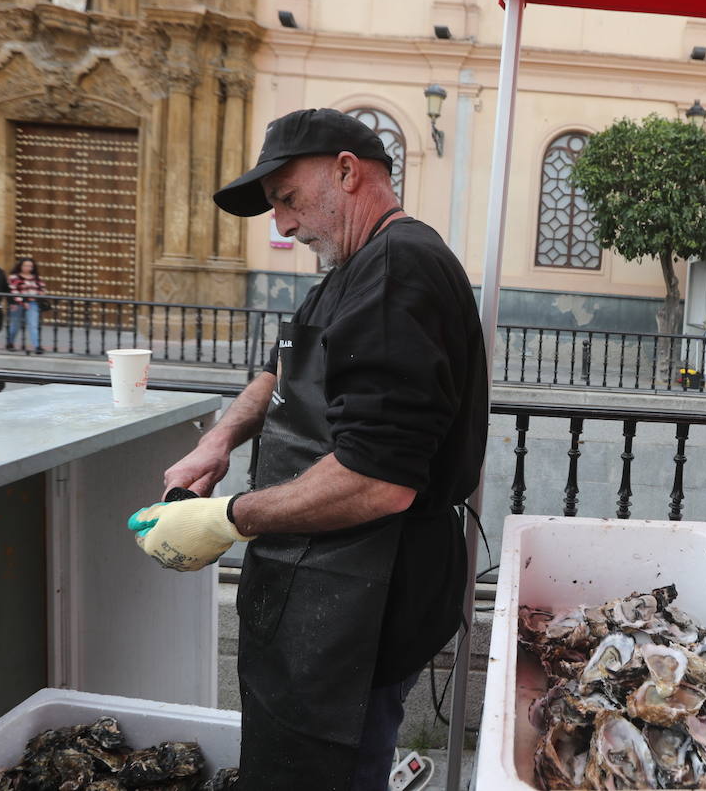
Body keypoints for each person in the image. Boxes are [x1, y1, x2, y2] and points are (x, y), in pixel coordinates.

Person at [126, 108, 487, 790]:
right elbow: (280, 368)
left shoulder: (399, 270)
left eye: (286, 200)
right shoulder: (348, 271)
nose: (283, 226)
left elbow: (381, 480)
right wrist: (221, 440)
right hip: (317, 588)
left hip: (369, 601)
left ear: (348, 172)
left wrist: (225, 518)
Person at [7, 257, 48, 354]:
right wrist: (22, 301)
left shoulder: (36, 278)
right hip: (17, 304)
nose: (28, 268)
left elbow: (42, 289)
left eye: (30, 266)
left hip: (33, 303)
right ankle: (10, 342)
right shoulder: (14, 277)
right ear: (20, 266)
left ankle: (37, 346)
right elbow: (13, 291)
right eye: (26, 265)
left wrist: (41, 294)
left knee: (33, 324)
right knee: (15, 325)